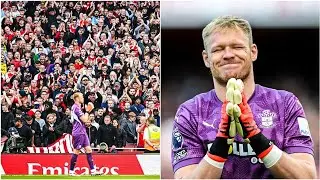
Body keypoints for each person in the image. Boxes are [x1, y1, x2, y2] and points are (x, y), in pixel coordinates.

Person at [171, 16, 316, 179]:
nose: (228, 54)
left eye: (237, 46)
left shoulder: (285, 103)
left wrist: (257, 138)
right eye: (218, 49)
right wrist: (221, 144)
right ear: (206, 58)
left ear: (253, 52)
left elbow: (307, 176)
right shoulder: (190, 112)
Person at [69, 92, 100, 176]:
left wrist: (87, 113)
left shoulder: (77, 107)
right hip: (78, 132)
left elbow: (85, 121)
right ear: (77, 98)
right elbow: (85, 120)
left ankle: (93, 171)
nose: (83, 98)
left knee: (89, 150)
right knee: (76, 151)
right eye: (81, 96)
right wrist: (87, 111)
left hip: (82, 131)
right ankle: (71, 171)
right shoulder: (76, 108)